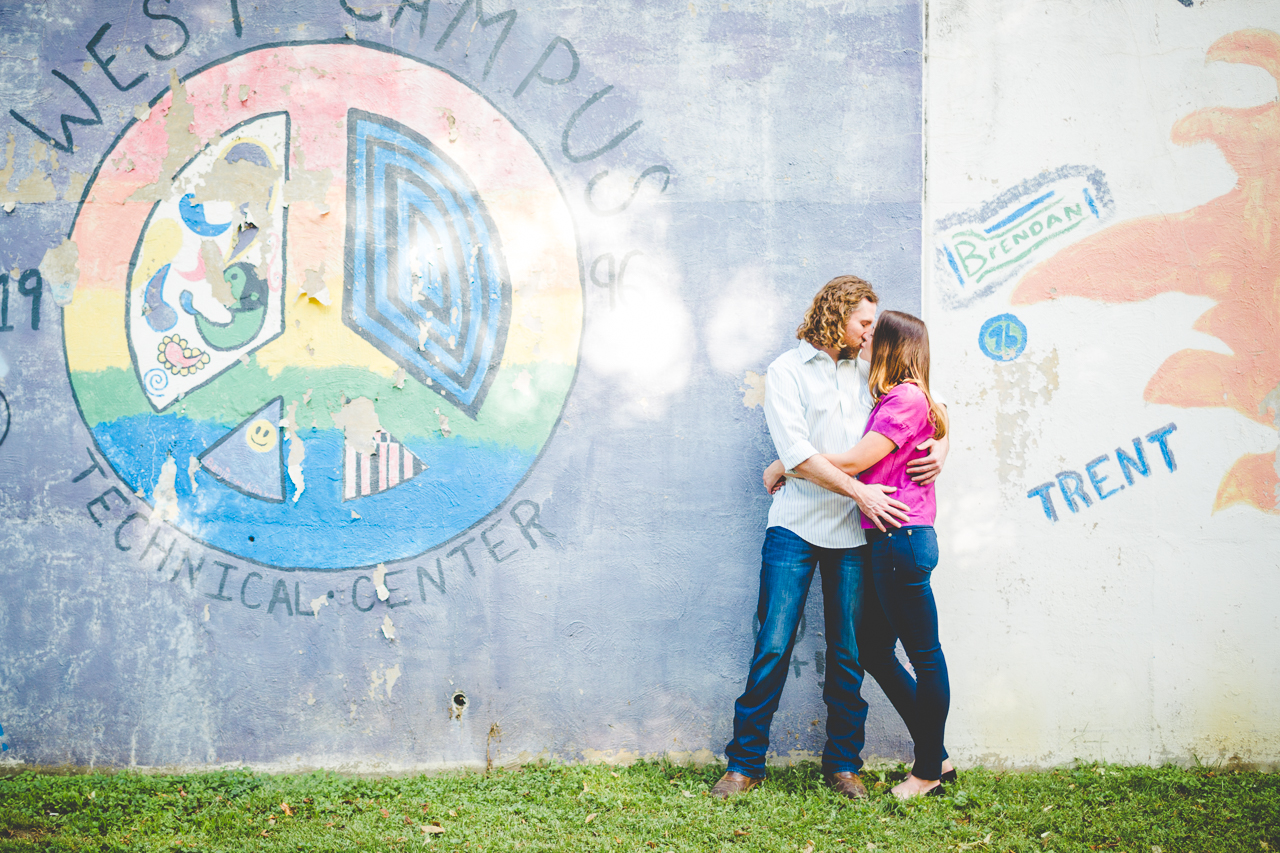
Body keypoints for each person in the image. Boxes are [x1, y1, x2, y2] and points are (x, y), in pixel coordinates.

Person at [711, 277, 949, 800]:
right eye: (864, 322)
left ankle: (843, 763)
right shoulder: (786, 371)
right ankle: (744, 763)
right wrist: (854, 489)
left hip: (855, 534)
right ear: (836, 316)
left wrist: (942, 448)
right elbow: (796, 452)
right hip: (794, 526)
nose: (870, 332)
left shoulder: (872, 369)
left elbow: (932, 407)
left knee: (847, 653)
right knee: (773, 645)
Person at [769, 310, 952, 800]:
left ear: (890, 345)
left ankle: (928, 772)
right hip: (890, 541)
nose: (867, 336)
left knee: (925, 657)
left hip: (901, 539)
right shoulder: (894, 394)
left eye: (875, 331)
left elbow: (852, 461)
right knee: (873, 651)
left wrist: (786, 462)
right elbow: (937, 410)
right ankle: (936, 754)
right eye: (864, 326)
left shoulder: (904, 397)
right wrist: (944, 437)